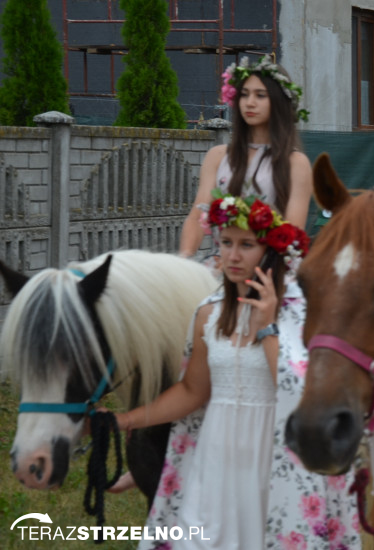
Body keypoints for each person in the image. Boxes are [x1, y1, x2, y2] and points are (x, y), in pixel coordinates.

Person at [117, 193, 359, 550]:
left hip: (276, 456)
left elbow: (304, 391)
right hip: (217, 456)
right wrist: (124, 420)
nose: (232, 255)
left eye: (247, 245)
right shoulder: (208, 312)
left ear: (270, 250)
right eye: (227, 243)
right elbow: (192, 392)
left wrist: (267, 328)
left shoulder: (302, 309)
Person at [179, 56, 313, 258]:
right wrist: (184, 260)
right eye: (244, 94)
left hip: (272, 271)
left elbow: (292, 232)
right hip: (220, 266)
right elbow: (197, 216)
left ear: (278, 101)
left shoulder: (296, 163)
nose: (249, 103)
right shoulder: (217, 156)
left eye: (260, 95)